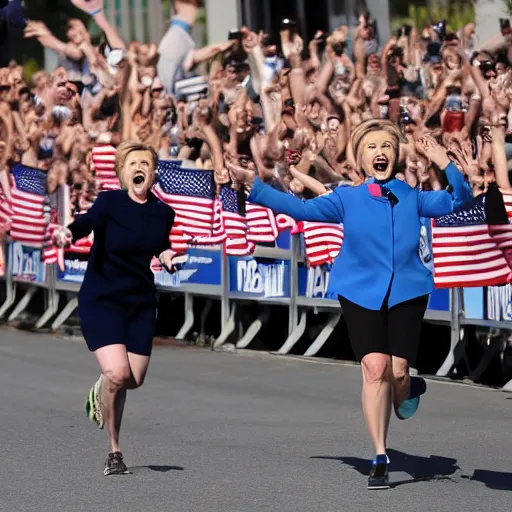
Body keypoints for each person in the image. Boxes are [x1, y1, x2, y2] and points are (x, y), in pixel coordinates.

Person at [232, 119, 474, 490]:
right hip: (360, 290)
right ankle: (380, 455)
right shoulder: (348, 197)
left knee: (398, 372)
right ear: (361, 156)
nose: (380, 152)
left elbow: (462, 200)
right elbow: (302, 209)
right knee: (375, 368)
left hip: (408, 291)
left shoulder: (413, 196)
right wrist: (255, 186)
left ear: (396, 153)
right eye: (372, 146)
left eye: (387, 146)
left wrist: (445, 162)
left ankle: (409, 387)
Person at [53, 141, 176, 475]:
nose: (139, 168)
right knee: (118, 374)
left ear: (153, 173)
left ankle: (100, 390)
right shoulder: (109, 202)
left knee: (132, 379)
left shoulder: (164, 212)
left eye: (146, 164)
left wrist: (167, 258)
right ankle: (114, 451)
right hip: (102, 297)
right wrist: (68, 232)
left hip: (139, 302)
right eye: (132, 163)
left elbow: (160, 244)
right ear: (123, 172)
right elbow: (86, 222)